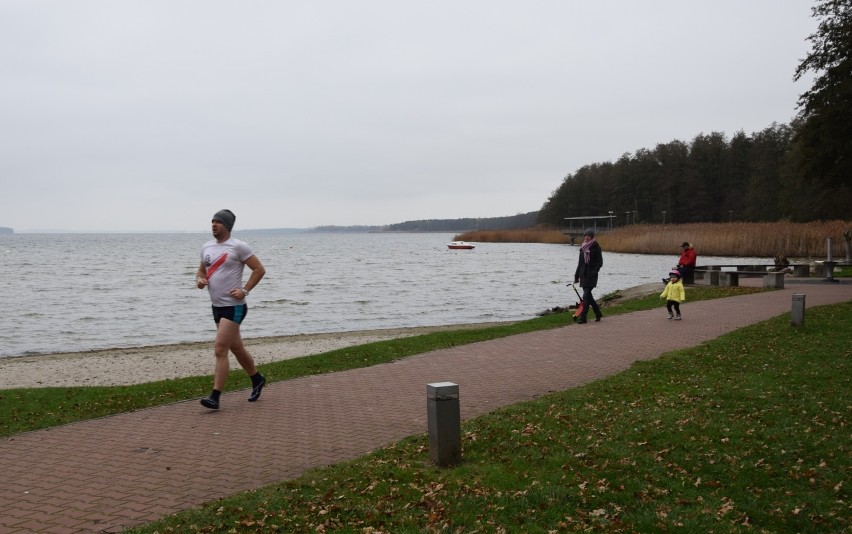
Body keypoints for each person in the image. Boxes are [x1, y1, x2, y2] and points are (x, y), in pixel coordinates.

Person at [196, 209, 267, 410]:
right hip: (216, 306)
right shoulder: (207, 247)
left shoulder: (239, 247)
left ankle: (215, 396)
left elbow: (259, 269)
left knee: (220, 348)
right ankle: (257, 379)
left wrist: (245, 290)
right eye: (212, 221)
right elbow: (202, 270)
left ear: (227, 226)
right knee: (236, 347)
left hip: (234, 307)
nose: (213, 225)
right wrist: (200, 280)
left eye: (218, 222)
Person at [573, 228, 603, 324]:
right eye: (585, 235)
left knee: (586, 295)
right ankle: (598, 313)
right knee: (588, 297)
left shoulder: (596, 247)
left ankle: (583, 318)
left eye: (588, 236)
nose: (586, 237)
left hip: (592, 275)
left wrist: (594, 271)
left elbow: (600, 262)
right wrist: (576, 276)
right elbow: (580, 263)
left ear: (592, 237)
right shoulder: (582, 248)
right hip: (583, 274)